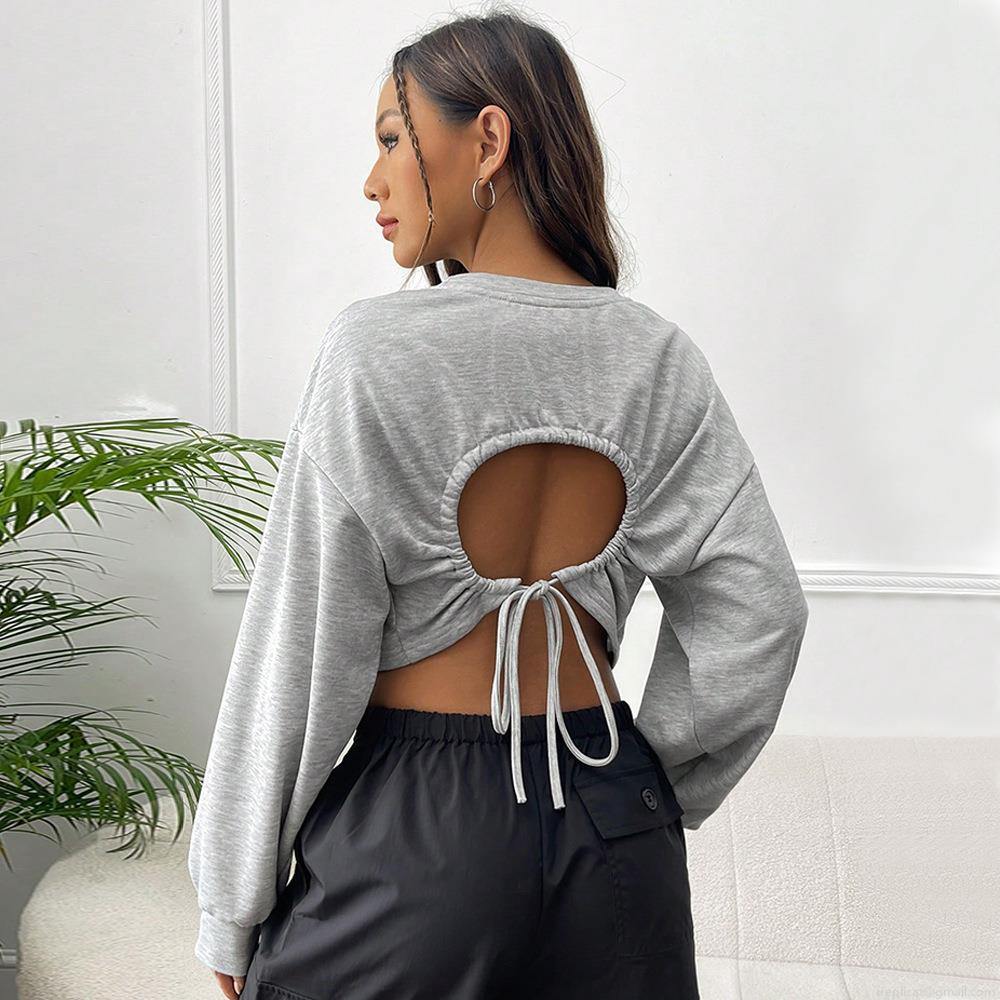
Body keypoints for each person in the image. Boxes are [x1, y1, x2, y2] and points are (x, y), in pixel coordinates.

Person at [188, 9, 809, 1000]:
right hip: (615, 825)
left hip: (419, 836)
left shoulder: (375, 351)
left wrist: (232, 899)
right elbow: (759, 612)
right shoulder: (655, 356)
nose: (373, 180)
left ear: (487, 140)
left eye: (392, 139)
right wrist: (644, 787)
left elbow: (299, 646)